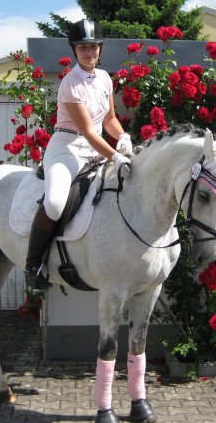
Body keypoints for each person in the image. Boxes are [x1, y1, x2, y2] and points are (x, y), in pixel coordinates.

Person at [24, 19, 133, 290]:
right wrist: (116, 157)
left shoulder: (105, 78)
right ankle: (33, 264)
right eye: (83, 47)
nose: (89, 52)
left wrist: (124, 137)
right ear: (74, 50)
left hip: (93, 150)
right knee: (55, 203)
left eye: (94, 47)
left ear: (100, 48)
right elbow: (88, 131)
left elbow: (109, 120)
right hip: (66, 148)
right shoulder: (70, 84)